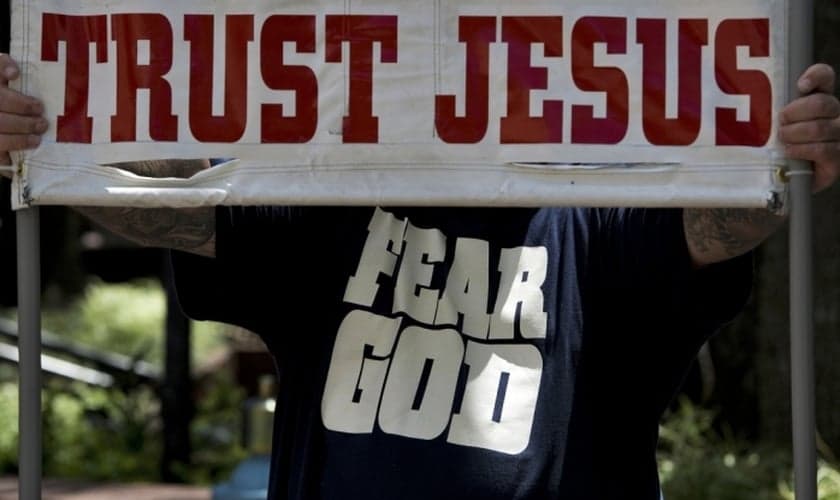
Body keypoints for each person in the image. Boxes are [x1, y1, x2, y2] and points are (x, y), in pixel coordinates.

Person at [1, 51, 839, 499]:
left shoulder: (598, 213)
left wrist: (783, 160)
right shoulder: (326, 211)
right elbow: (172, 206)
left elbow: (715, 226)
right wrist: (46, 144)